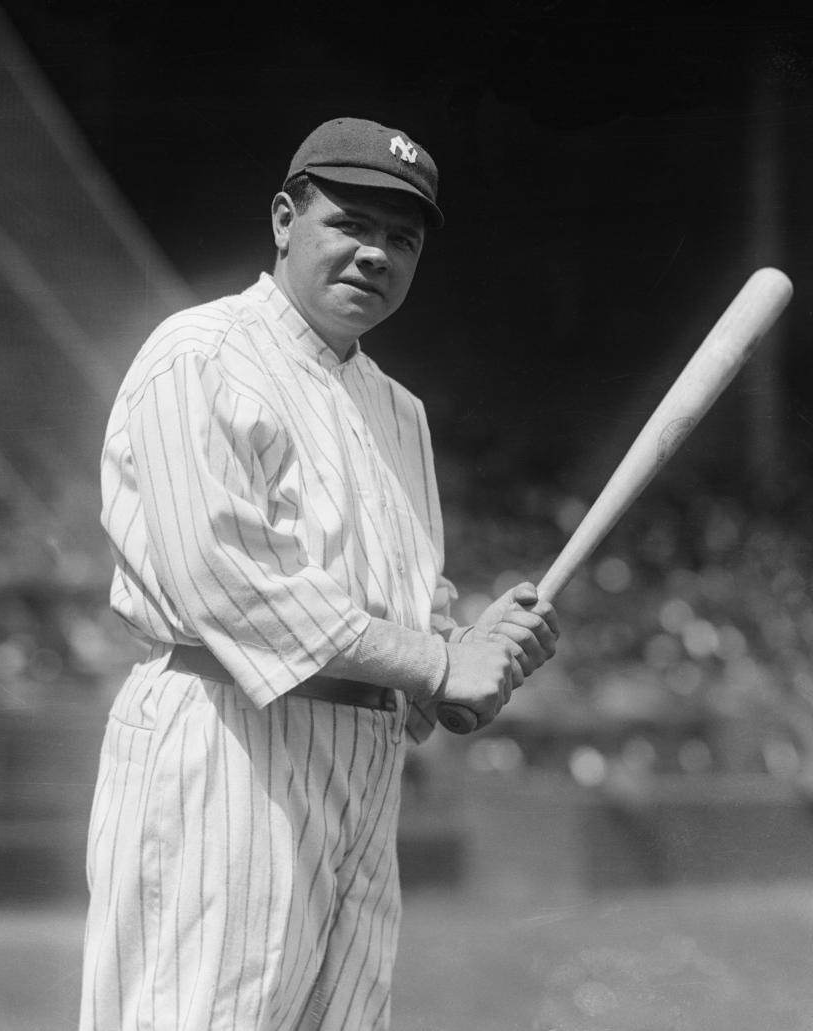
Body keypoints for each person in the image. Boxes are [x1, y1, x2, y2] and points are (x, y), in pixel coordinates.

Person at [79, 116, 560, 1031]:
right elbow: (219, 579)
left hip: (360, 768)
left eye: (402, 239)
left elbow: (414, 617)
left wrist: (472, 653)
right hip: (224, 745)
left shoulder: (399, 411)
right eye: (352, 224)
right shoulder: (200, 353)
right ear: (284, 219)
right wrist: (431, 661)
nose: (377, 254)